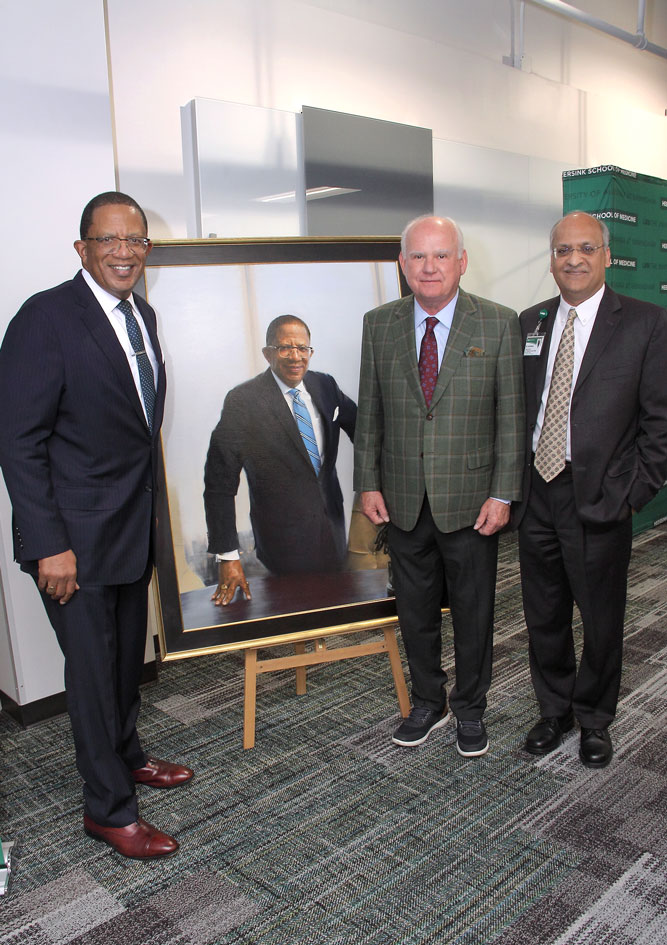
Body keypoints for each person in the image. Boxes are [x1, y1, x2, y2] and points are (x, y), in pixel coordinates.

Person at [0, 192, 193, 860]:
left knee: (121, 665)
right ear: (81, 247)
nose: (124, 251)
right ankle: (108, 810)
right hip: (70, 543)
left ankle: (129, 754)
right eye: (109, 239)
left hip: (126, 529)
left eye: (136, 240)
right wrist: (49, 544)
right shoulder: (44, 318)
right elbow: (18, 442)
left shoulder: (143, 314)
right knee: (89, 674)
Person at [354, 215, 525, 755]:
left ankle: (471, 707)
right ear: (402, 264)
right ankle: (429, 701)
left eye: (440, 256)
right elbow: (371, 413)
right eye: (418, 257)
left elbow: (511, 419)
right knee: (415, 611)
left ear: (461, 262)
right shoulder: (379, 323)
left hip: (472, 501)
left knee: (475, 612)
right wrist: (367, 482)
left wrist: (503, 492)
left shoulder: (498, 323)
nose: (429, 267)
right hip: (401, 498)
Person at [514, 211, 667, 768]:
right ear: (550, 258)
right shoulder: (530, 322)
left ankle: (596, 718)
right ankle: (553, 709)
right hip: (538, 492)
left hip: (603, 496)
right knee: (543, 613)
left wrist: (634, 493)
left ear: (606, 255)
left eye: (584, 248)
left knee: (601, 617)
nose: (572, 259)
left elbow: (661, 423)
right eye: (561, 250)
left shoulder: (647, 323)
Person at [204, 314, 357, 604]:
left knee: (337, 608)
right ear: (267, 353)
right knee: (294, 615)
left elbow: (365, 430)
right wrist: (227, 555)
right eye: (285, 347)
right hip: (282, 542)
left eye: (303, 348)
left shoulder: (326, 386)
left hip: (332, 527)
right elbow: (219, 482)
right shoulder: (243, 401)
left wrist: (373, 487)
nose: (295, 356)